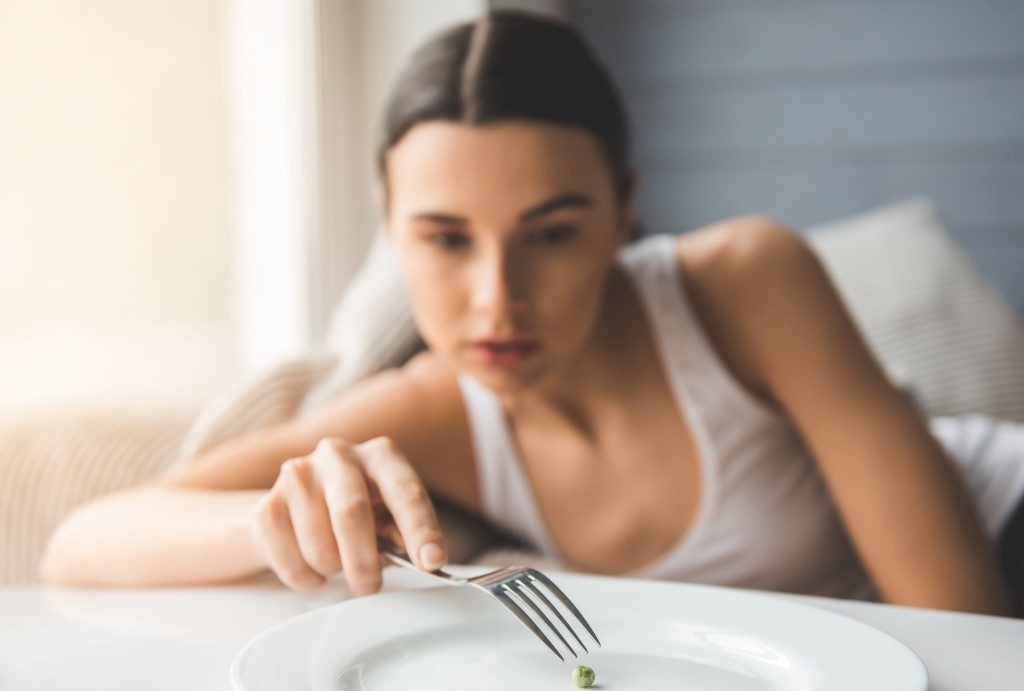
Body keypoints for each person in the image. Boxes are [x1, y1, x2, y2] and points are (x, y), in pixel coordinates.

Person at [40, 10, 1024, 618]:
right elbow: (80, 545)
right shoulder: (428, 412)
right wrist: (270, 523)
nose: (495, 300)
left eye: (551, 233)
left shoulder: (746, 281)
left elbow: (963, 629)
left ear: (624, 211)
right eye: (444, 237)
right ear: (389, 226)